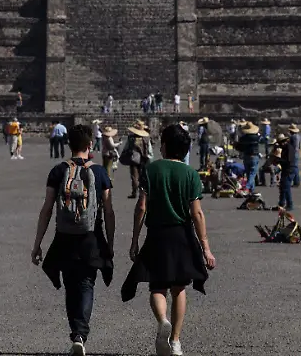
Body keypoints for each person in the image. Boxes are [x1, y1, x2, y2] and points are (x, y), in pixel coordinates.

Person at [122, 124, 216, 356]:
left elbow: (141, 207)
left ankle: (162, 319)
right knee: (179, 288)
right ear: (185, 150)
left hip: (157, 234)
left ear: (163, 146)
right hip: (182, 234)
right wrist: (206, 248)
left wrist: (134, 239)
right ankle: (175, 340)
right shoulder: (190, 174)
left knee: (157, 285)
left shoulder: (152, 170)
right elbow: (197, 214)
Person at [32, 124, 116, 356]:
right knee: (87, 284)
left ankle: (76, 333)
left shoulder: (58, 171)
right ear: (90, 145)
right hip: (91, 236)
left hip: (65, 236)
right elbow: (108, 211)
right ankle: (81, 335)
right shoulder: (99, 172)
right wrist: (109, 242)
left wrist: (37, 244)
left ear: (69, 145)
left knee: (71, 286)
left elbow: (47, 209)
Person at [122, 122, 155, 200]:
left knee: (134, 176)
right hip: (144, 159)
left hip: (134, 159)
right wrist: (151, 159)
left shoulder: (131, 138)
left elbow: (126, 148)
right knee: (143, 176)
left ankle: (134, 192)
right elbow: (150, 150)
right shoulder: (146, 138)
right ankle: (143, 192)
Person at [271, 133, 294, 212]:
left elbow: (289, 161)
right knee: (283, 187)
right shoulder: (285, 148)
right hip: (286, 169)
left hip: (289, 170)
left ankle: (289, 205)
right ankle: (281, 204)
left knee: (286, 188)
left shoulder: (289, 148)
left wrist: (279, 160)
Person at [234, 122, 262, 190]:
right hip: (254, 156)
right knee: (252, 174)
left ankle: (251, 190)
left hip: (246, 156)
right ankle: (247, 187)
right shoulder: (257, 137)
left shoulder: (243, 138)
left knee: (248, 173)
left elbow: (240, 148)